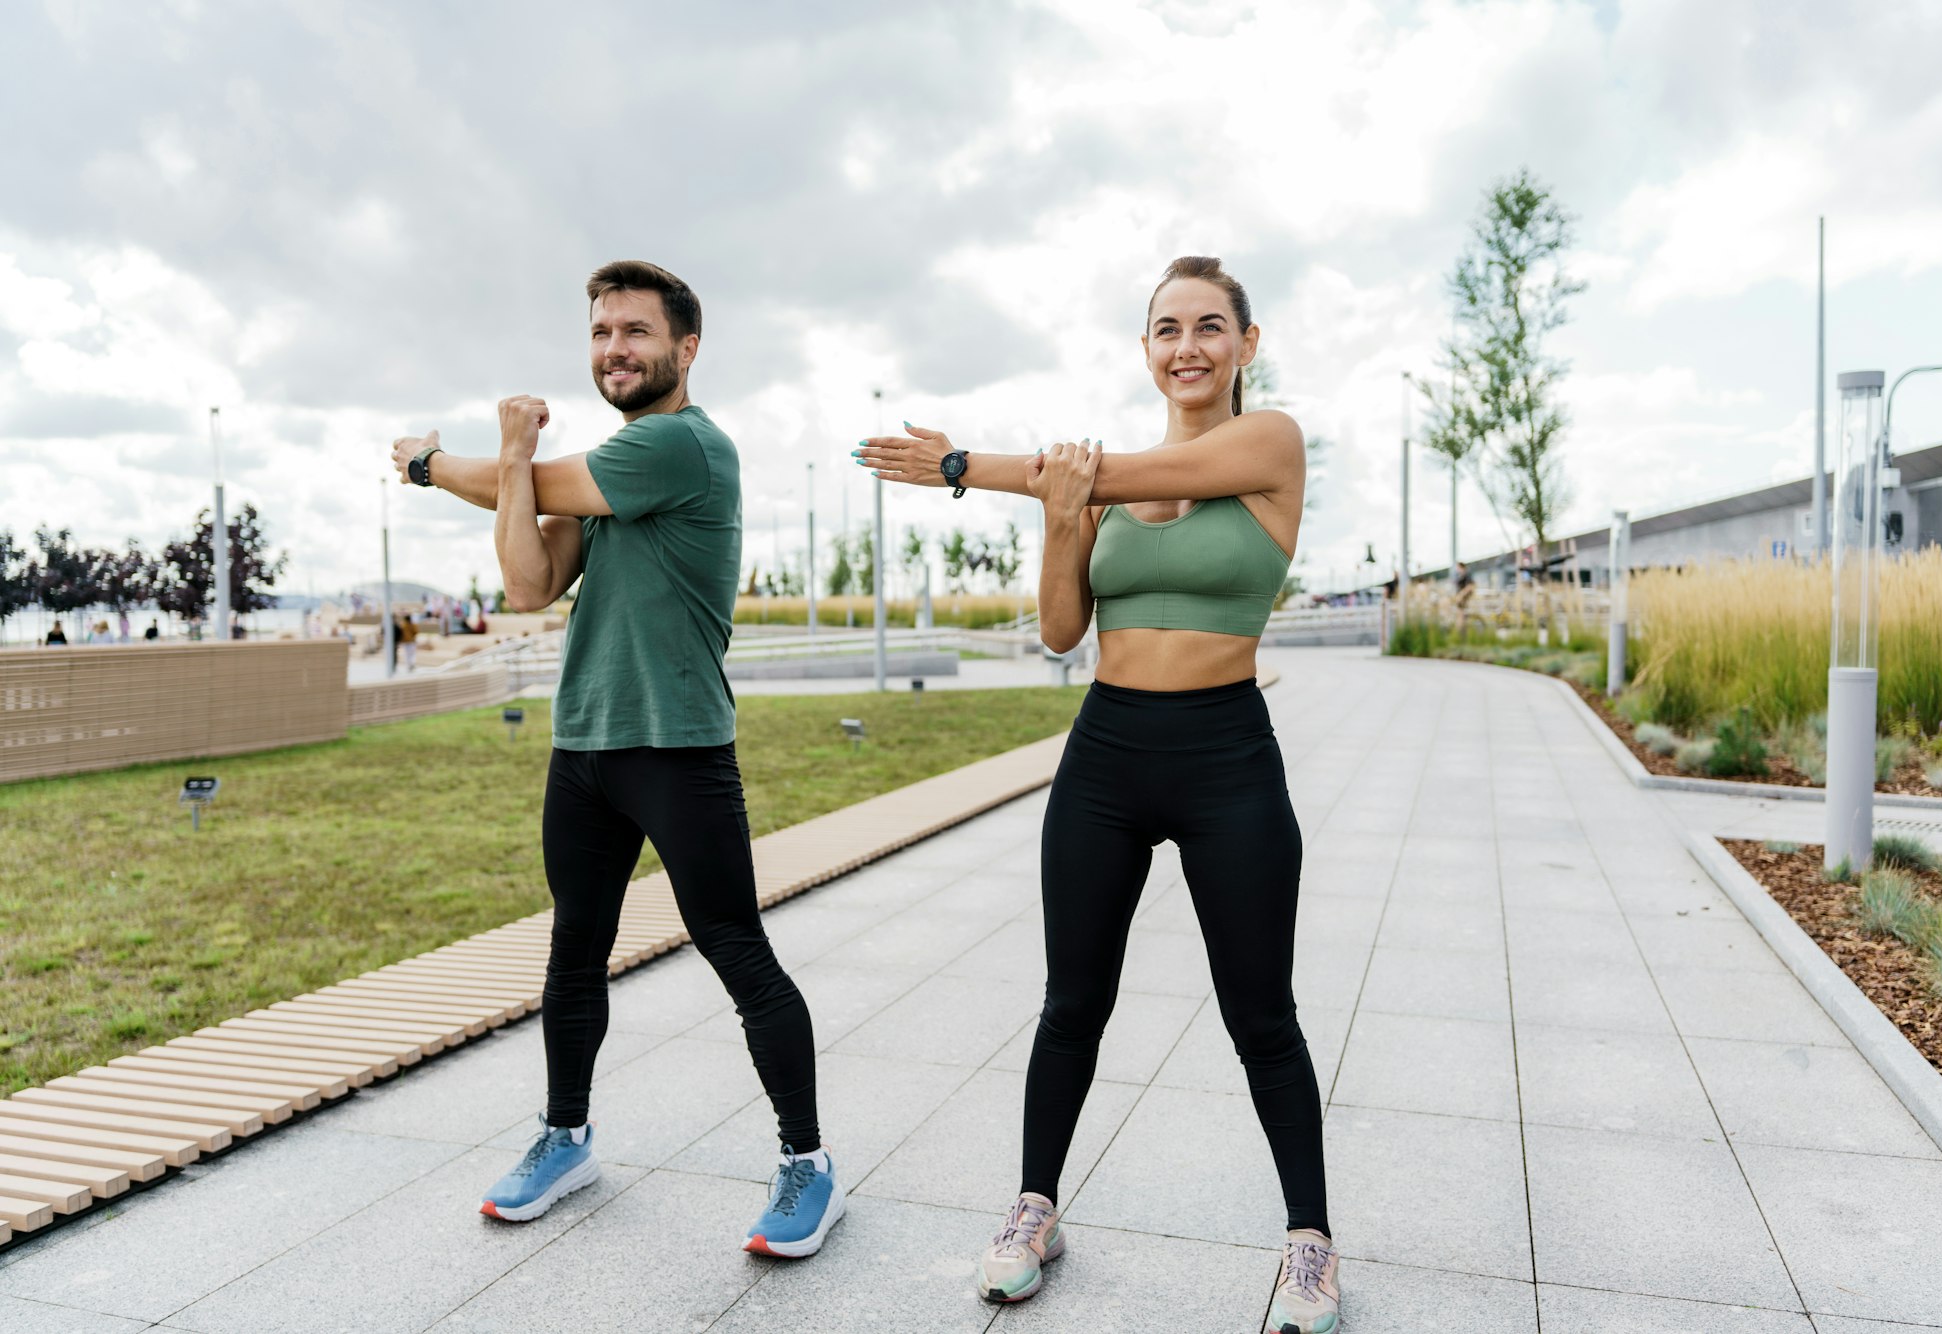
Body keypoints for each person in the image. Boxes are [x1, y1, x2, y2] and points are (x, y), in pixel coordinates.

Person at [856, 256, 1339, 1333]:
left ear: (1246, 345)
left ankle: (1308, 1244)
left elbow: (1106, 472)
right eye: (1166, 327)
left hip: (1226, 754)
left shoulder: (1269, 444)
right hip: (1108, 752)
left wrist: (956, 462)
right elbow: (1064, 628)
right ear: (1144, 348)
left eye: (1210, 326)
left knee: (1262, 1014)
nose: (1187, 346)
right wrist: (1060, 510)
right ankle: (1034, 1210)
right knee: (1071, 1000)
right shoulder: (1093, 476)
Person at [388, 260, 842, 1258]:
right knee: (574, 951)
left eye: (633, 331)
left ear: (684, 349)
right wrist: (508, 460)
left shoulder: (681, 445)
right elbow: (526, 582)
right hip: (584, 743)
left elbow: (535, 481)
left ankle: (808, 1162)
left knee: (735, 948)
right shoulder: (611, 466)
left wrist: (435, 461)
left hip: (677, 745)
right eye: (599, 333)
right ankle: (565, 1135)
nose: (613, 350)